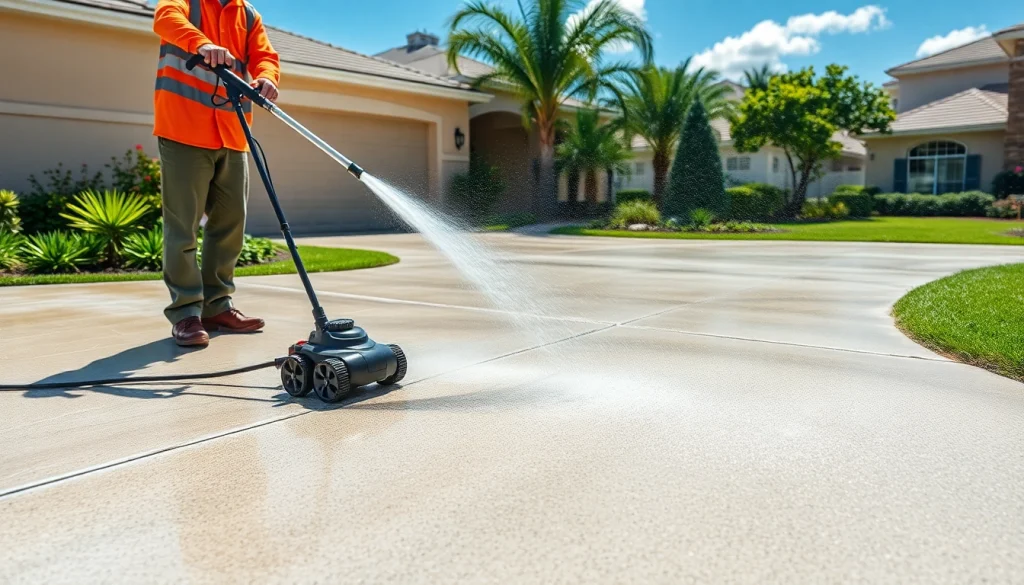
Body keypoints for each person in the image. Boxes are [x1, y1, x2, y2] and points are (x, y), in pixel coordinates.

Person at [152, 0, 281, 346]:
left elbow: (265, 56)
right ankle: (186, 313)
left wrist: (267, 78)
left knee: (230, 224)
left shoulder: (247, 14)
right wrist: (202, 43)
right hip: (183, 128)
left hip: (233, 132)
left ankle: (217, 306)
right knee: (182, 227)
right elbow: (165, 19)